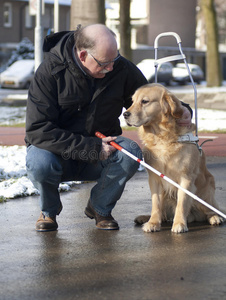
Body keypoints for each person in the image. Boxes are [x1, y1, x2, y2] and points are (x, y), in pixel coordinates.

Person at [25, 24, 192, 232]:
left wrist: (182, 109)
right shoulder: (49, 71)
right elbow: (38, 129)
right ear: (83, 55)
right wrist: (93, 147)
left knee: (130, 152)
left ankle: (100, 208)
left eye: (115, 60)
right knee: (38, 161)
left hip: (102, 153)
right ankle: (48, 212)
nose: (111, 68)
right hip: (59, 155)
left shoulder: (119, 66)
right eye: (105, 64)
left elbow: (152, 96)